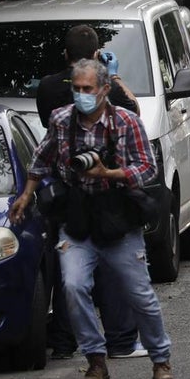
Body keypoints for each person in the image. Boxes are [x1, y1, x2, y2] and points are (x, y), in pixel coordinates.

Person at [8, 59, 173, 379]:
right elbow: (41, 159)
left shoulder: (126, 122)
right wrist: (26, 194)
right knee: (73, 285)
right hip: (79, 219)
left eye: (88, 89)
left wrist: (108, 173)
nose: (82, 95)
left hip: (118, 219)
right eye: (77, 89)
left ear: (104, 90)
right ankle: (96, 360)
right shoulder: (61, 120)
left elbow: (146, 168)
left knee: (138, 293)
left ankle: (160, 358)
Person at [35, 24, 143, 360]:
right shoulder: (104, 87)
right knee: (111, 269)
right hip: (106, 188)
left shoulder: (49, 88)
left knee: (71, 271)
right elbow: (133, 110)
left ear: (65, 54)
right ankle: (121, 340)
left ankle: (65, 343)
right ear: (97, 56)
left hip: (66, 190)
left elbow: (47, 127)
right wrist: (114, 77)